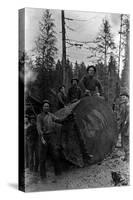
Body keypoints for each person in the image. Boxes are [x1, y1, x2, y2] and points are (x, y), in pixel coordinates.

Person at [37, 100, 73, 180]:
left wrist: (66, 118)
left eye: (47, 106)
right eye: (45, 106)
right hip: (44, 137)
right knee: (42, 158)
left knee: (56, 155)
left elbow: (58, 120)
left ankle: (58, 174)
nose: (46, 107)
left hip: (51, 136)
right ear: (42, 107)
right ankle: (43, 177)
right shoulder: (39, 116)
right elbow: (39, 128)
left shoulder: (51, 115)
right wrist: (42, 138)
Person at [119, 89, 129, 161]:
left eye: (124, 97)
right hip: (123, 124)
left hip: (128, 124)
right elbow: (121, 115)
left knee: (126, 138)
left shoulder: (129, 105)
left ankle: (128, 157)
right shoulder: (122, 105)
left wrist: (126, 121)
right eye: (122, 97)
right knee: (123, 138)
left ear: (127, 97)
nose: (123, 98)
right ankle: (126, 156)